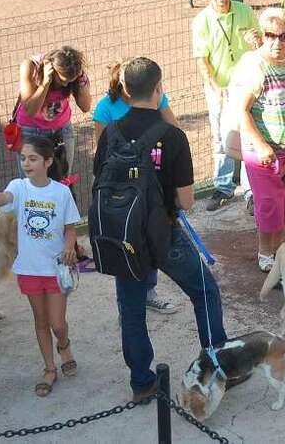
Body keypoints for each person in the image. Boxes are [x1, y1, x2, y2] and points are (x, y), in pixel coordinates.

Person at [93, 57, 227, 401]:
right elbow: (186, 201)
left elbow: (100, 178)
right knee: (205, 293)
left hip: (124, 235)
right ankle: (216, 364)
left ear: (124, 90)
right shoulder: (172, 136)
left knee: (132, 310)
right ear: (159, 88)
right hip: (164, 233)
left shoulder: (110, 133)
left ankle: (141, 382)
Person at [0, 136, 81, 397]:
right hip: (30, 270)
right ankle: (49, 368)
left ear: (48, 161)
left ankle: (64, 344)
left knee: (57, 323)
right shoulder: (19, 187)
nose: (26, 164)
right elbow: (6, 197)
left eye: (33, 159)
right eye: (23, 159)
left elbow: (70, 229)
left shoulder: (62, 192)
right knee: (41, 321)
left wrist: (69, 247)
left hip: (55, 270)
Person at [93, 60, 179, 315]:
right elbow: (102, 151)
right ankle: (127, 306)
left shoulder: (156, 99)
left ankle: (148, 293)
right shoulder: (105, 108)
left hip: (153, 183)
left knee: (150, 240)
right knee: (125, 244)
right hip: (124, 189)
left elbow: (174, 130)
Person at [230, 7, 285, 273]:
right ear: (263, 35)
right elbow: (242, 111)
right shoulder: (254, 65)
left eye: (283, 36)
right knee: (269, 205)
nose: (277, 42)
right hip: (263, 150)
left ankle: (280, 252)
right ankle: (266, 253)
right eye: (270, 35)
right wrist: (261, 145)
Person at [192, 0, 261, 213]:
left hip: (246, 86)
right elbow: (202, 59)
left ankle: (252, 192)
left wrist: (257, 41)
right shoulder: (202, 21)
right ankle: (223, 187)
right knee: (221, 138)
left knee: (249, 136)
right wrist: (215, 87)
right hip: (219, 87)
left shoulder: (245, 11)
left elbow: (260, 45)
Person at [17, 46, 91, 180]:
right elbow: (31, 111)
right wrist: (45, 83)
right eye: (62, 80)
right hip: (31, 132)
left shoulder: (75, 74)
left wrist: (80, 81)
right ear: (52, 69)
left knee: (61, 181)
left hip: (62, 132)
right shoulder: (31, 67)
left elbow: (85, 107)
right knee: (31, 183)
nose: (65, 85)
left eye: (69, 81)